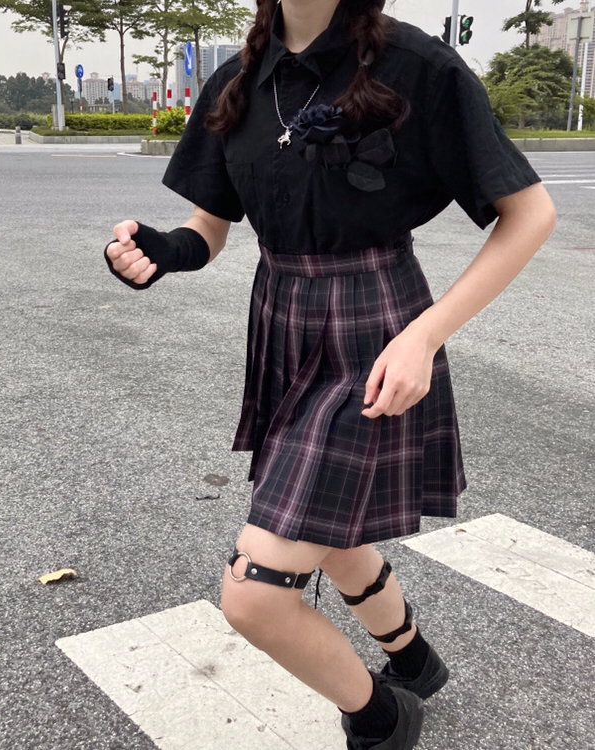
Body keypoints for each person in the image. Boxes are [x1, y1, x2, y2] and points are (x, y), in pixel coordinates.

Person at [104, 1, 556, 748]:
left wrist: (424, 337)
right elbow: (209, 228)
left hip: (378, 331)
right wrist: (161, 251)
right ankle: (414, 663)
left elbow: (530, 213)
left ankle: (382, 721)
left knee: (255, 595)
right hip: (281, 320)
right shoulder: (239, 79)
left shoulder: (417, 65)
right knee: (326, 527)